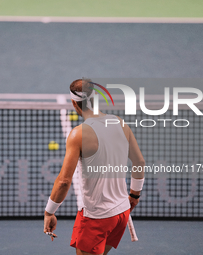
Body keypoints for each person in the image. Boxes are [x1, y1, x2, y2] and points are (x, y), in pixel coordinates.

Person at [43, 79, 145, 255]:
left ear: (74, 103)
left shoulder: (78, 134)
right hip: (121, 214)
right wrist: (134, 196)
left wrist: (49, 212)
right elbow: (139, 162)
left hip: (98, 217)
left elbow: (64, 182)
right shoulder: (119, 123)